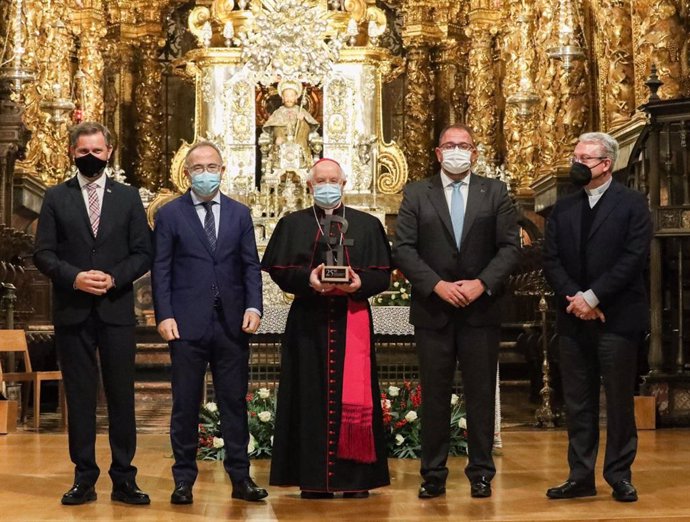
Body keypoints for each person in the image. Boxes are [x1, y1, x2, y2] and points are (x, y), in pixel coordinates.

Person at [393, 123, 521, 499]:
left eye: (463, 145)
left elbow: (510, 248)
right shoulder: (417, 193)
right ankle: (433, 473)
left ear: (475, 153)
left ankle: (481, 472)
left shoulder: (495, 192)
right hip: (434, 310)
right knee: (433, 395)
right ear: (437, 153)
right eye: (449, 145)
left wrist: (481, 283)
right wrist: (437, 285)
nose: (456, 151)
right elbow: (404, 248)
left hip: (482, 311)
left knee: (481, 395)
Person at [34, 121, 152, 506]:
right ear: (72, 153)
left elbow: (143, 252)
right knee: (81, 399)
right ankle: (84, 477)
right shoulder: (55, 197)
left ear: (109, 152)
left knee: (121, 397)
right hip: (73, 311)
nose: (90, 157)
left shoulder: (129, 197)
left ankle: (124, 478)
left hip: (116, 310)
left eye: (97, 151)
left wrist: (114, 277)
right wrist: (75, 278)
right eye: (83, 151)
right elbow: (43, 253)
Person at [262, 158, 391, 499]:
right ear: (309, 185)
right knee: (307, 397)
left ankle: (355, 479)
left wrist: (360, 283)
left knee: (355, 395)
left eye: (333, 179)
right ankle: (313, 479)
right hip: (308, 324)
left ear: (344, 183)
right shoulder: (293, 224)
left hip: (353, 321)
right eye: (321, 180)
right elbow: (279, 269)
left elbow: (383, 274)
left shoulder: (365, 224)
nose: (327, 185)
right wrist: (309, 279)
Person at [151, 141, 267, 504]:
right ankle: (183, 479)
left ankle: (240, 478)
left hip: (231, 323)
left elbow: (250, 265)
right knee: (185, 403)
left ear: (223, 170)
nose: (205, 173)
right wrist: (164, 314)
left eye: (212, 166)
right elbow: (162, 269)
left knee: (234, 402)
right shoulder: (171, 214)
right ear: (187, 173)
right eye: (198, 168)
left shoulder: (238, 213)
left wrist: (255, 307)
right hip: (185, 323)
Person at [543, 132, 652, 503]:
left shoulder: (633, 203)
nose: (577, 164)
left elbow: (632, 258)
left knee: (619, 401)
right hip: (573, 317)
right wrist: (575, 299)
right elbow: (551, 258)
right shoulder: (564, 207)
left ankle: (619, 474)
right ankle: (580, 475)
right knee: (578, 401)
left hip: (617, 318)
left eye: (585, 158)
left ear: (606, 164)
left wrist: (594, 296)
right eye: (575, 156)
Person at [262, 79, 319, 168]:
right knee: (278, 128)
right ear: (282, 98)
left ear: (296, 97)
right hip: (282, 145)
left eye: (292, 96)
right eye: (286, 96)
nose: (289, 99)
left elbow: (310, 127)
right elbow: (271, 129)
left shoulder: (300, 111)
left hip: (298, 144)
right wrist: (277, 138)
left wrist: (302, 121)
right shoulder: (278, 112)